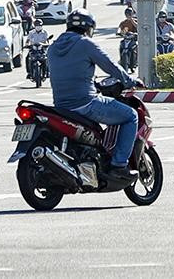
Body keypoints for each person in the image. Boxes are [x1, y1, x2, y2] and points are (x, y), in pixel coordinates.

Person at [48, 11, 139, 185]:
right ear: (89, 28)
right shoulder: (85, 43)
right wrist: (129, 81)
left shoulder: (53, 47)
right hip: (86, 103)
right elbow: (110, 65)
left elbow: (69, 72)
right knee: (131, 116)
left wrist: (93, 83)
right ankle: (119, 164)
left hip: (61, 108)